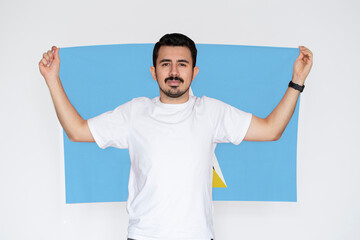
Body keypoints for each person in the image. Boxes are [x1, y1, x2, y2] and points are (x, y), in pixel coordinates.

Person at [39, 33, 313, 240]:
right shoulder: (135, 112)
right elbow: (77, 132)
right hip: (143, 236)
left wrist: (297, 81)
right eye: (165, 64)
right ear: (153, 71)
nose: (173, 72)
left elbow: (271, 130)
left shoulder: (211, 111)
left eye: (182, 64)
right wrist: (52, 79)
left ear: (193, 72)